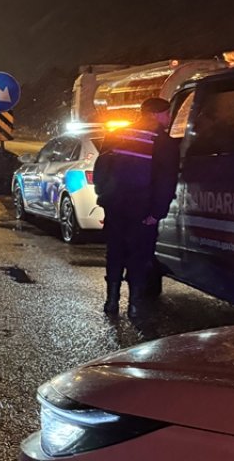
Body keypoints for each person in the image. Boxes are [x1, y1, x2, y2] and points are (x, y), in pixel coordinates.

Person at [93, 97, 180, 315]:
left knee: (115, 252)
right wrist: (157, 212)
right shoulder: (165, 143)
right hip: (142, 210)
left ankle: (111, 301)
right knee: (139, 256)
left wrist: (105, 197)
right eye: (166, 113)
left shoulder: (116, 135)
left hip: (114, 206)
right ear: (154, 115)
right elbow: (166, 181)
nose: (168, 118)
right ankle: (134, 306)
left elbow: (102, 168)